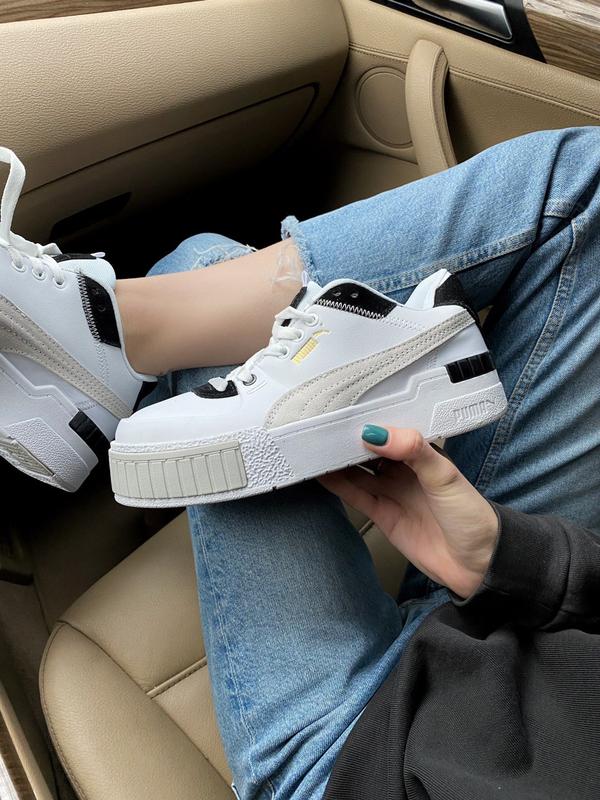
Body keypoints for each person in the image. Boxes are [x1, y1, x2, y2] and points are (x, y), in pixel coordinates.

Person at [2, 127, 600, 799]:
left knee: (205, 271)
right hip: (546, 630)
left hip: (374, 755)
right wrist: (521, 561)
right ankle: (104, 335)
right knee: (589, 183)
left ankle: (102, 339)